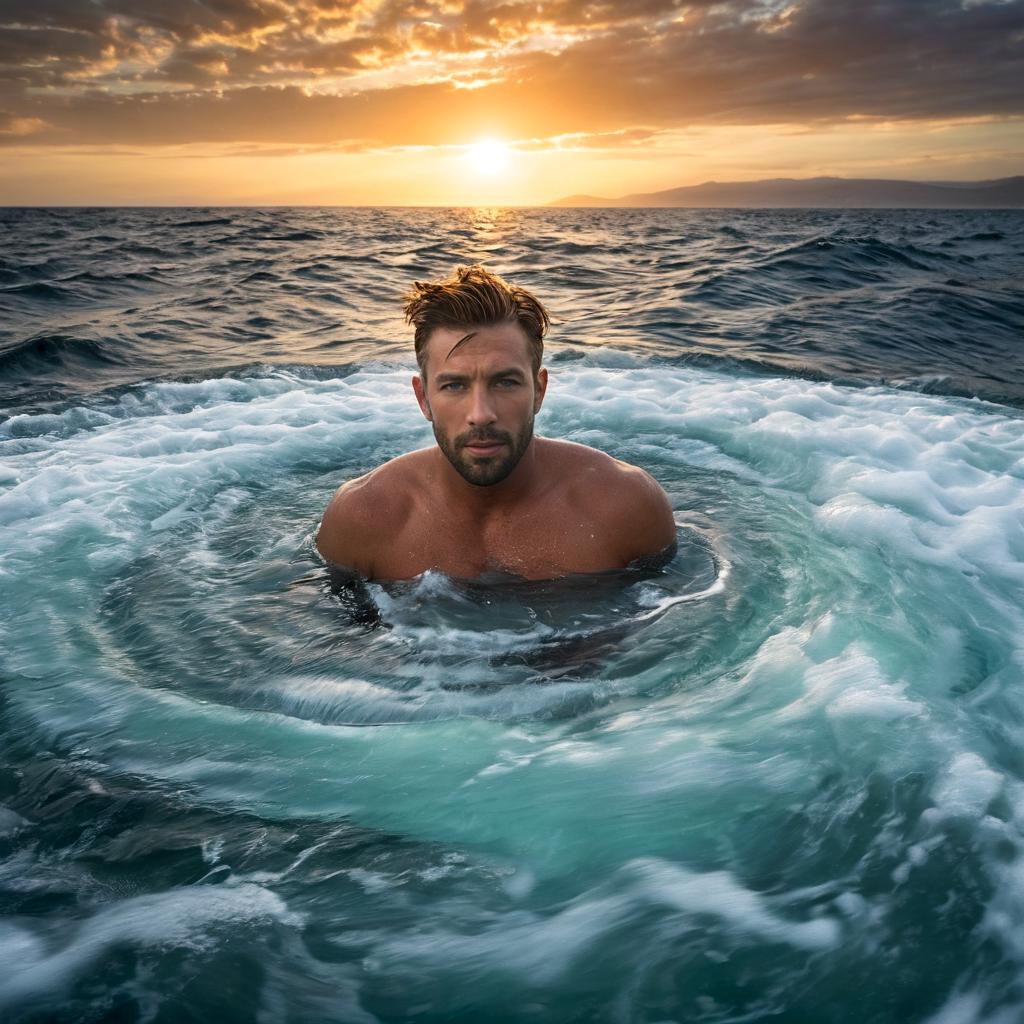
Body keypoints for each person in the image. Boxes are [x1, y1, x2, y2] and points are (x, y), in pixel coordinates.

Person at [315, 265, 676, 581]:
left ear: (538, 390)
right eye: (454, 385)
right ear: (423, 398)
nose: (481, 413)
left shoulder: (626, 508)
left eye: (505, 382)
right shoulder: (362, 520)